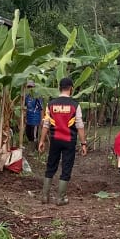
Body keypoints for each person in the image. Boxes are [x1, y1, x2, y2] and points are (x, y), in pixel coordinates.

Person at [38, 77, 87, 206]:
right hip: (69, 140)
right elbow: (80, 126)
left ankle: (44, 196)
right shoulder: (75, 105)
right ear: (71, 88)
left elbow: (46, 124)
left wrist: (42, 141)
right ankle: (60, 198)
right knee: (66, 167)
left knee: (50, 166)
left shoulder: (51, 104)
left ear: (59, 88)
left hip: (55, 140)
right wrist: (83, 143)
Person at [24, 81, 43, 146]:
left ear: (34, 87)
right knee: (28, 133)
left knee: (34, 135)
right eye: (28, 87)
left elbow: (41, 109)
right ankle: (31, 148)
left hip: (35, 119)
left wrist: (41, 120)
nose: (30, 88)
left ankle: (34, 149)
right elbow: (25, 108)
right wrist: (25, 118)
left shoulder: (38, 97)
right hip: (28, 119)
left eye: (31, 87)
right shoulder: (26, 97)